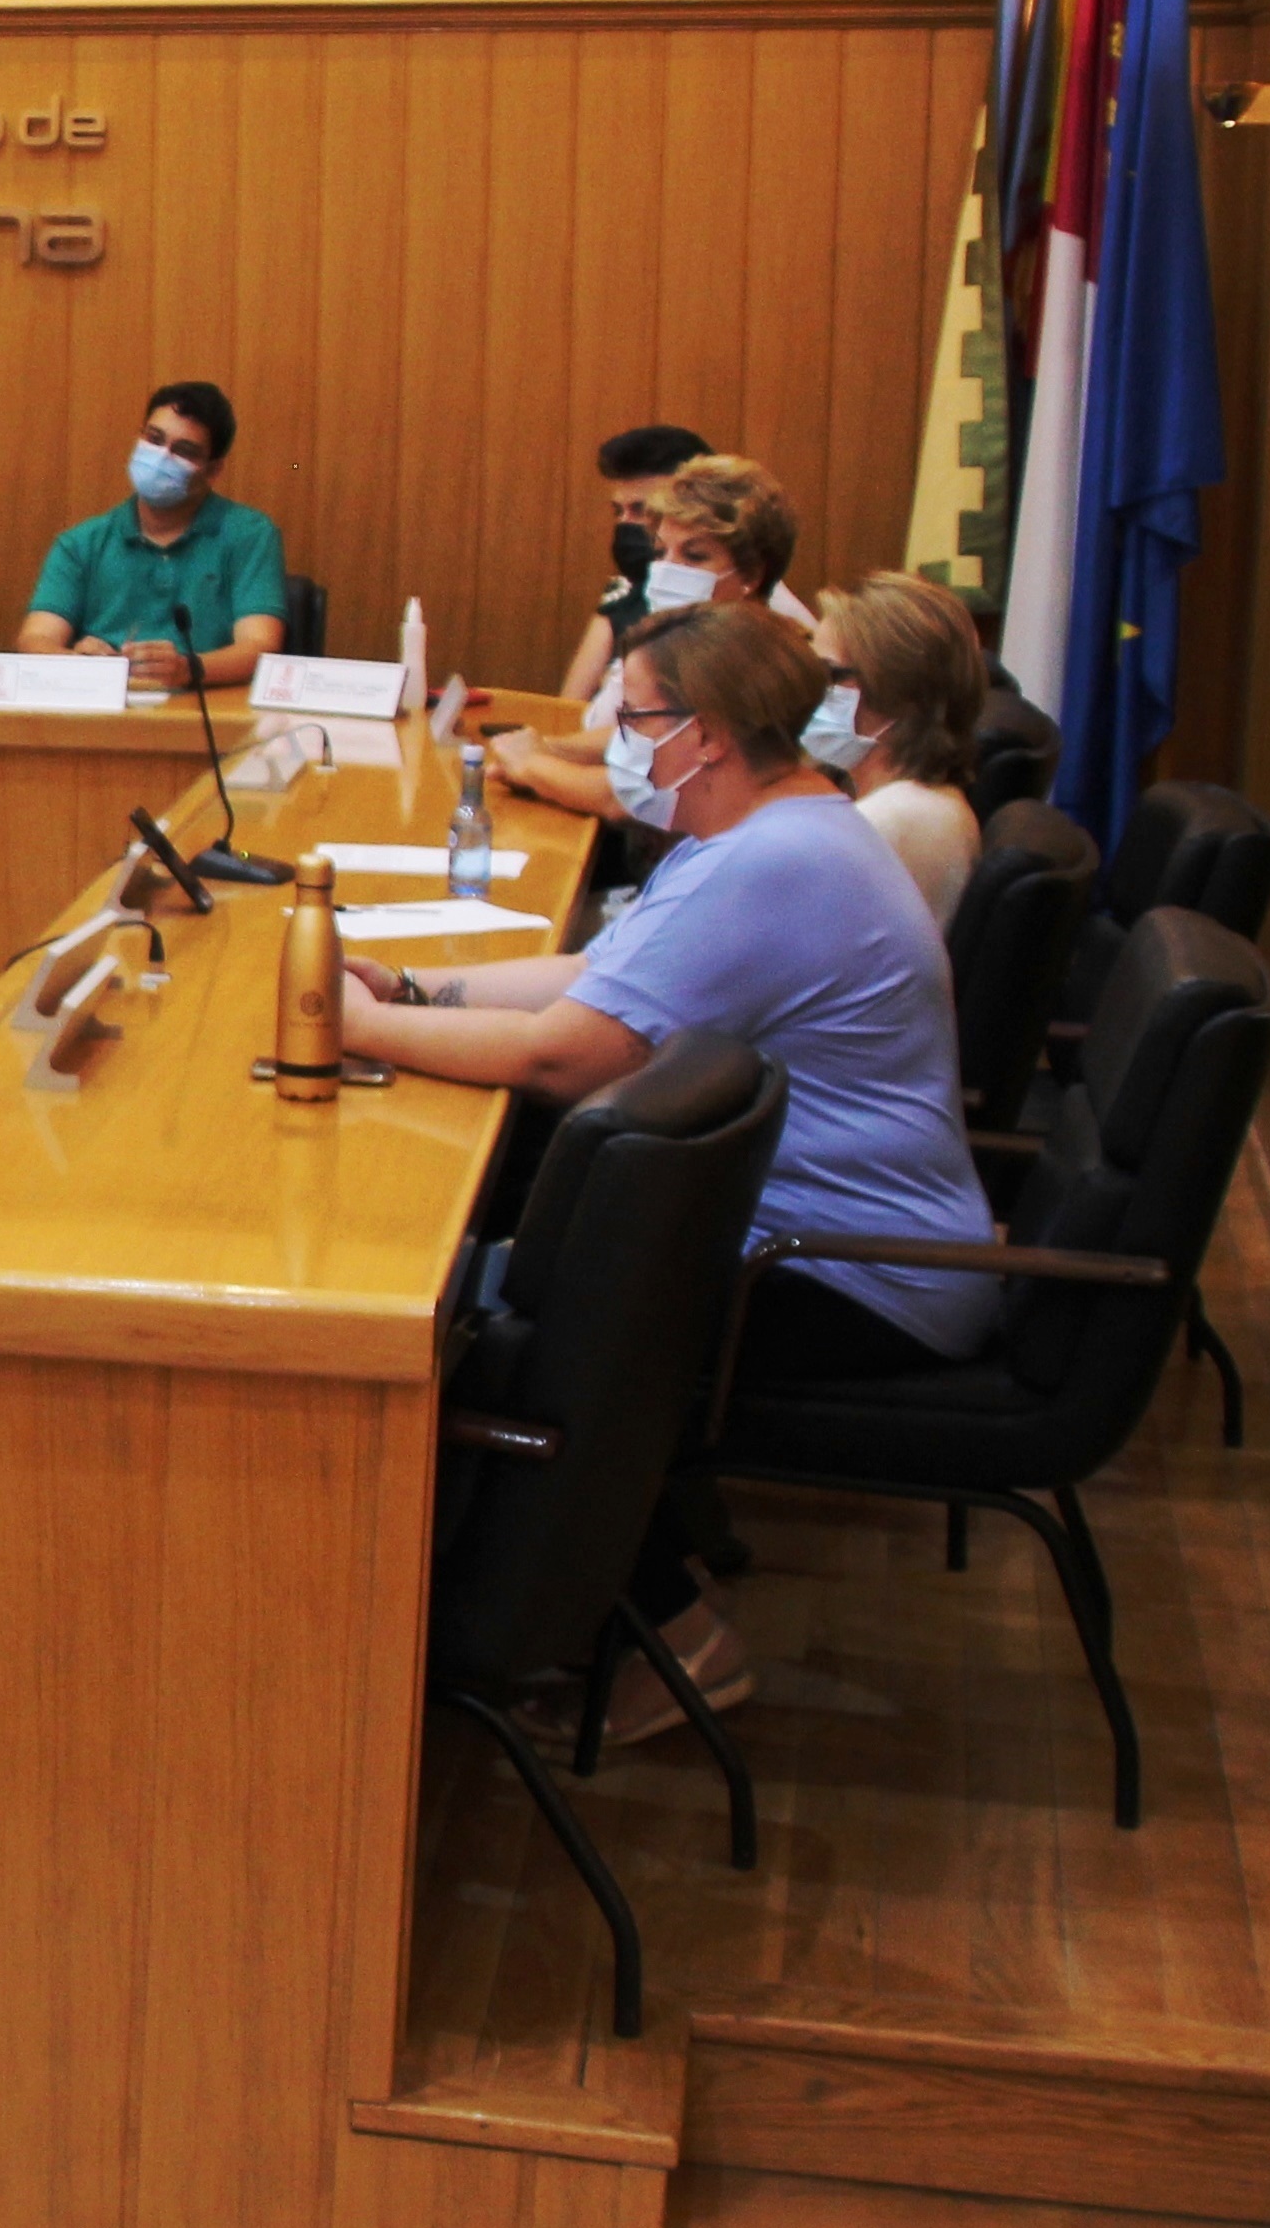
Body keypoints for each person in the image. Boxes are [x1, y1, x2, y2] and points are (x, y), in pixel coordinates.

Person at [339, 606, 994, 1743]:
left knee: (521, 1346)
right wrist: (407, 991)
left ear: (700, 737)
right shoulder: (780, 831)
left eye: (634, 717)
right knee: (515, 1270)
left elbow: (564, 1053)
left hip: (854, 1277)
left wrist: (351, 1025)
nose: (619, 739)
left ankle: (671, 1635)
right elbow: (602, 974)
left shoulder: (779, 861)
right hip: (797, 1239)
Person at [489, 452, 807, 820]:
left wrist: (532, 767)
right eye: (661, 552)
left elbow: (631, 797)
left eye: (695, 556)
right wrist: (553, 749)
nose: (668, 571)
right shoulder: (703, 645)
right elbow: (648, 736)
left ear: (752, 573)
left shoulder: (760, 663)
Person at [13, 380, 287, 691]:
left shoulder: (250, 536)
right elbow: (35, 638)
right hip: (104, 711)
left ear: (212, 471)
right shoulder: (81, 543)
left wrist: (188, 669)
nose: (162, 457)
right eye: (154, 439)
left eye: (184, 451)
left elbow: (260, 645)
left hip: (204, 708)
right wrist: (75, 664)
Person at [811, 571, 987, 926]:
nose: (810, 690)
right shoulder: (926, 799)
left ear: (899, 692)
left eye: (828, 675)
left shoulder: (891, 820)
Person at [553, 423, 716, 708]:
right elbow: (569, 705)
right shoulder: (630, 589)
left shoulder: (753, 600)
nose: (625, 525)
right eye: (618, 511)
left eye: (641, 510)